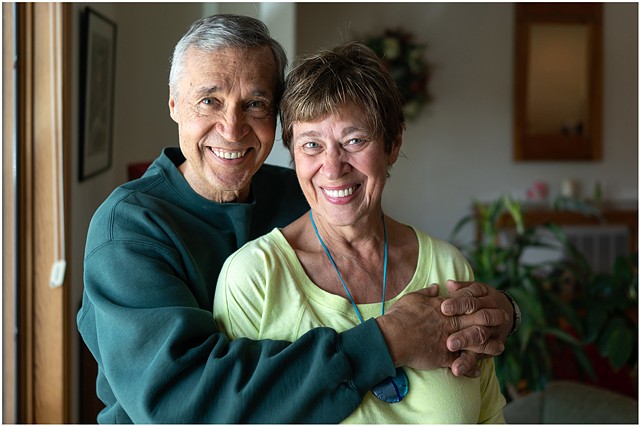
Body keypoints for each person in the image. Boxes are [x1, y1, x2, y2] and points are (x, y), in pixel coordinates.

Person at [77, 14, 517, 424]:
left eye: (255, 104)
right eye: (209, 100)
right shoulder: (129, 231)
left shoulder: (299, 192)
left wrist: (501, 313)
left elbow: (384, 253)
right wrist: (387, 341)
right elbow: (183, 406)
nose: (232, 128)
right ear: (174, 104)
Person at [213, 41, 506, 423]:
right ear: (293, 155)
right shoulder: (253, 277)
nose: (333, 167)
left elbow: (488, 416)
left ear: (393, 144)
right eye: (312, 145)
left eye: (354, 141)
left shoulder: (447, 267)